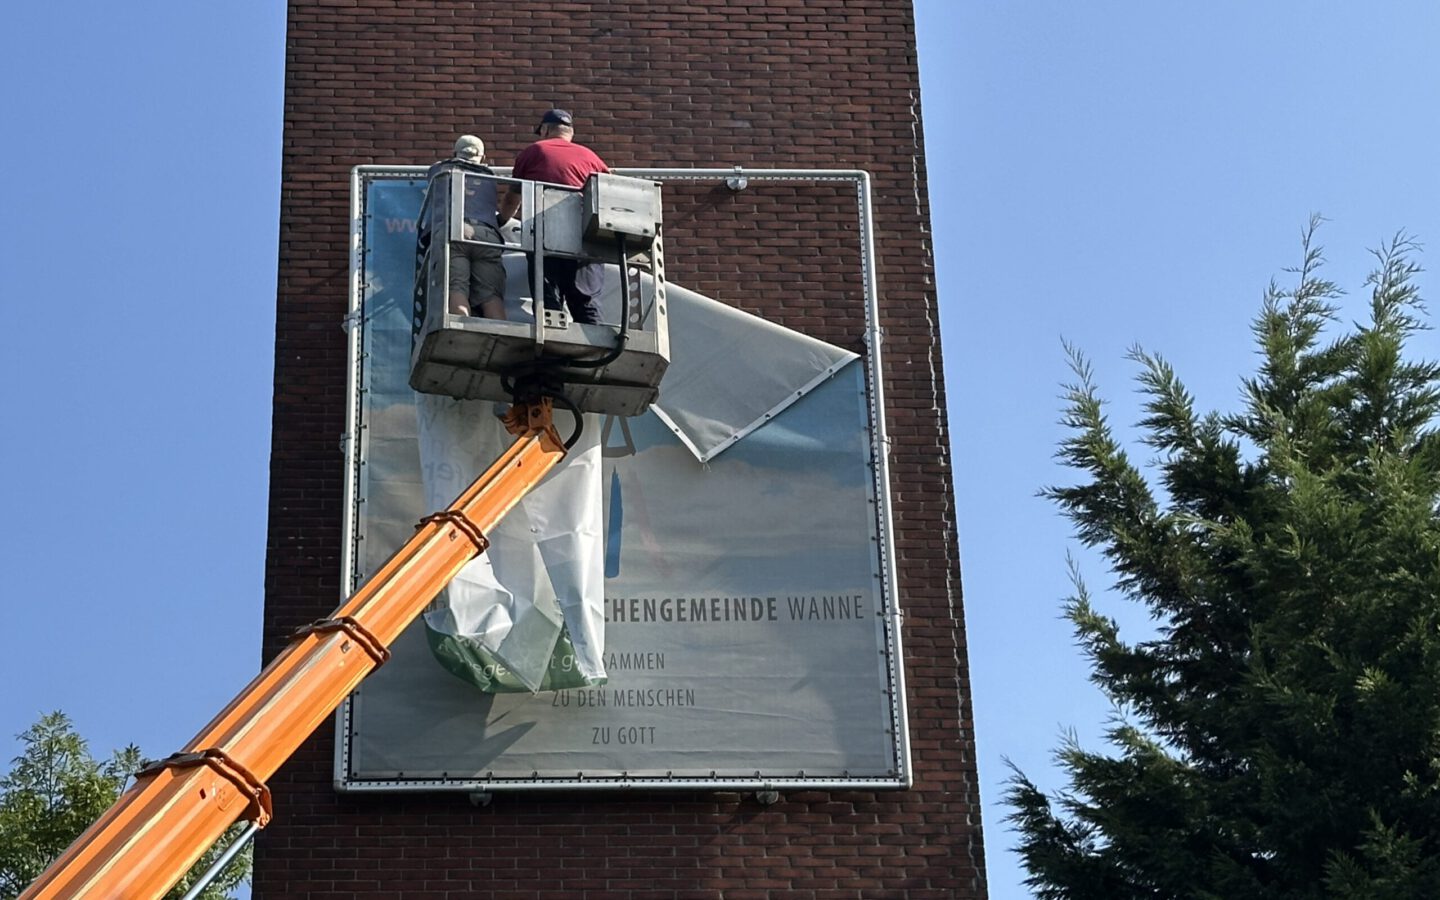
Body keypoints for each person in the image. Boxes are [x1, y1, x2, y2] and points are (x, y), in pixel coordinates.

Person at [498, 109, 610, 324]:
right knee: (586, 301)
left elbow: (513, 198)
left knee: (549, 302)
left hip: (546, 238)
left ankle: (553, 346)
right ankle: (594, 348)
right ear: (571, 133)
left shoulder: (534, 151)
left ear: (546, 129)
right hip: (585, 240)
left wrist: (501, 222)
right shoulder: (591, 157)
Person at [420, 135, 507, 320]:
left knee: (455, 287)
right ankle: (499, 331)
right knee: (491, 294)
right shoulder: (489, 176)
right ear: (483, 158)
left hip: (453, 232)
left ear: (455, 153)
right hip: (487, 235)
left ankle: (461, 328)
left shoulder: (439, 170)